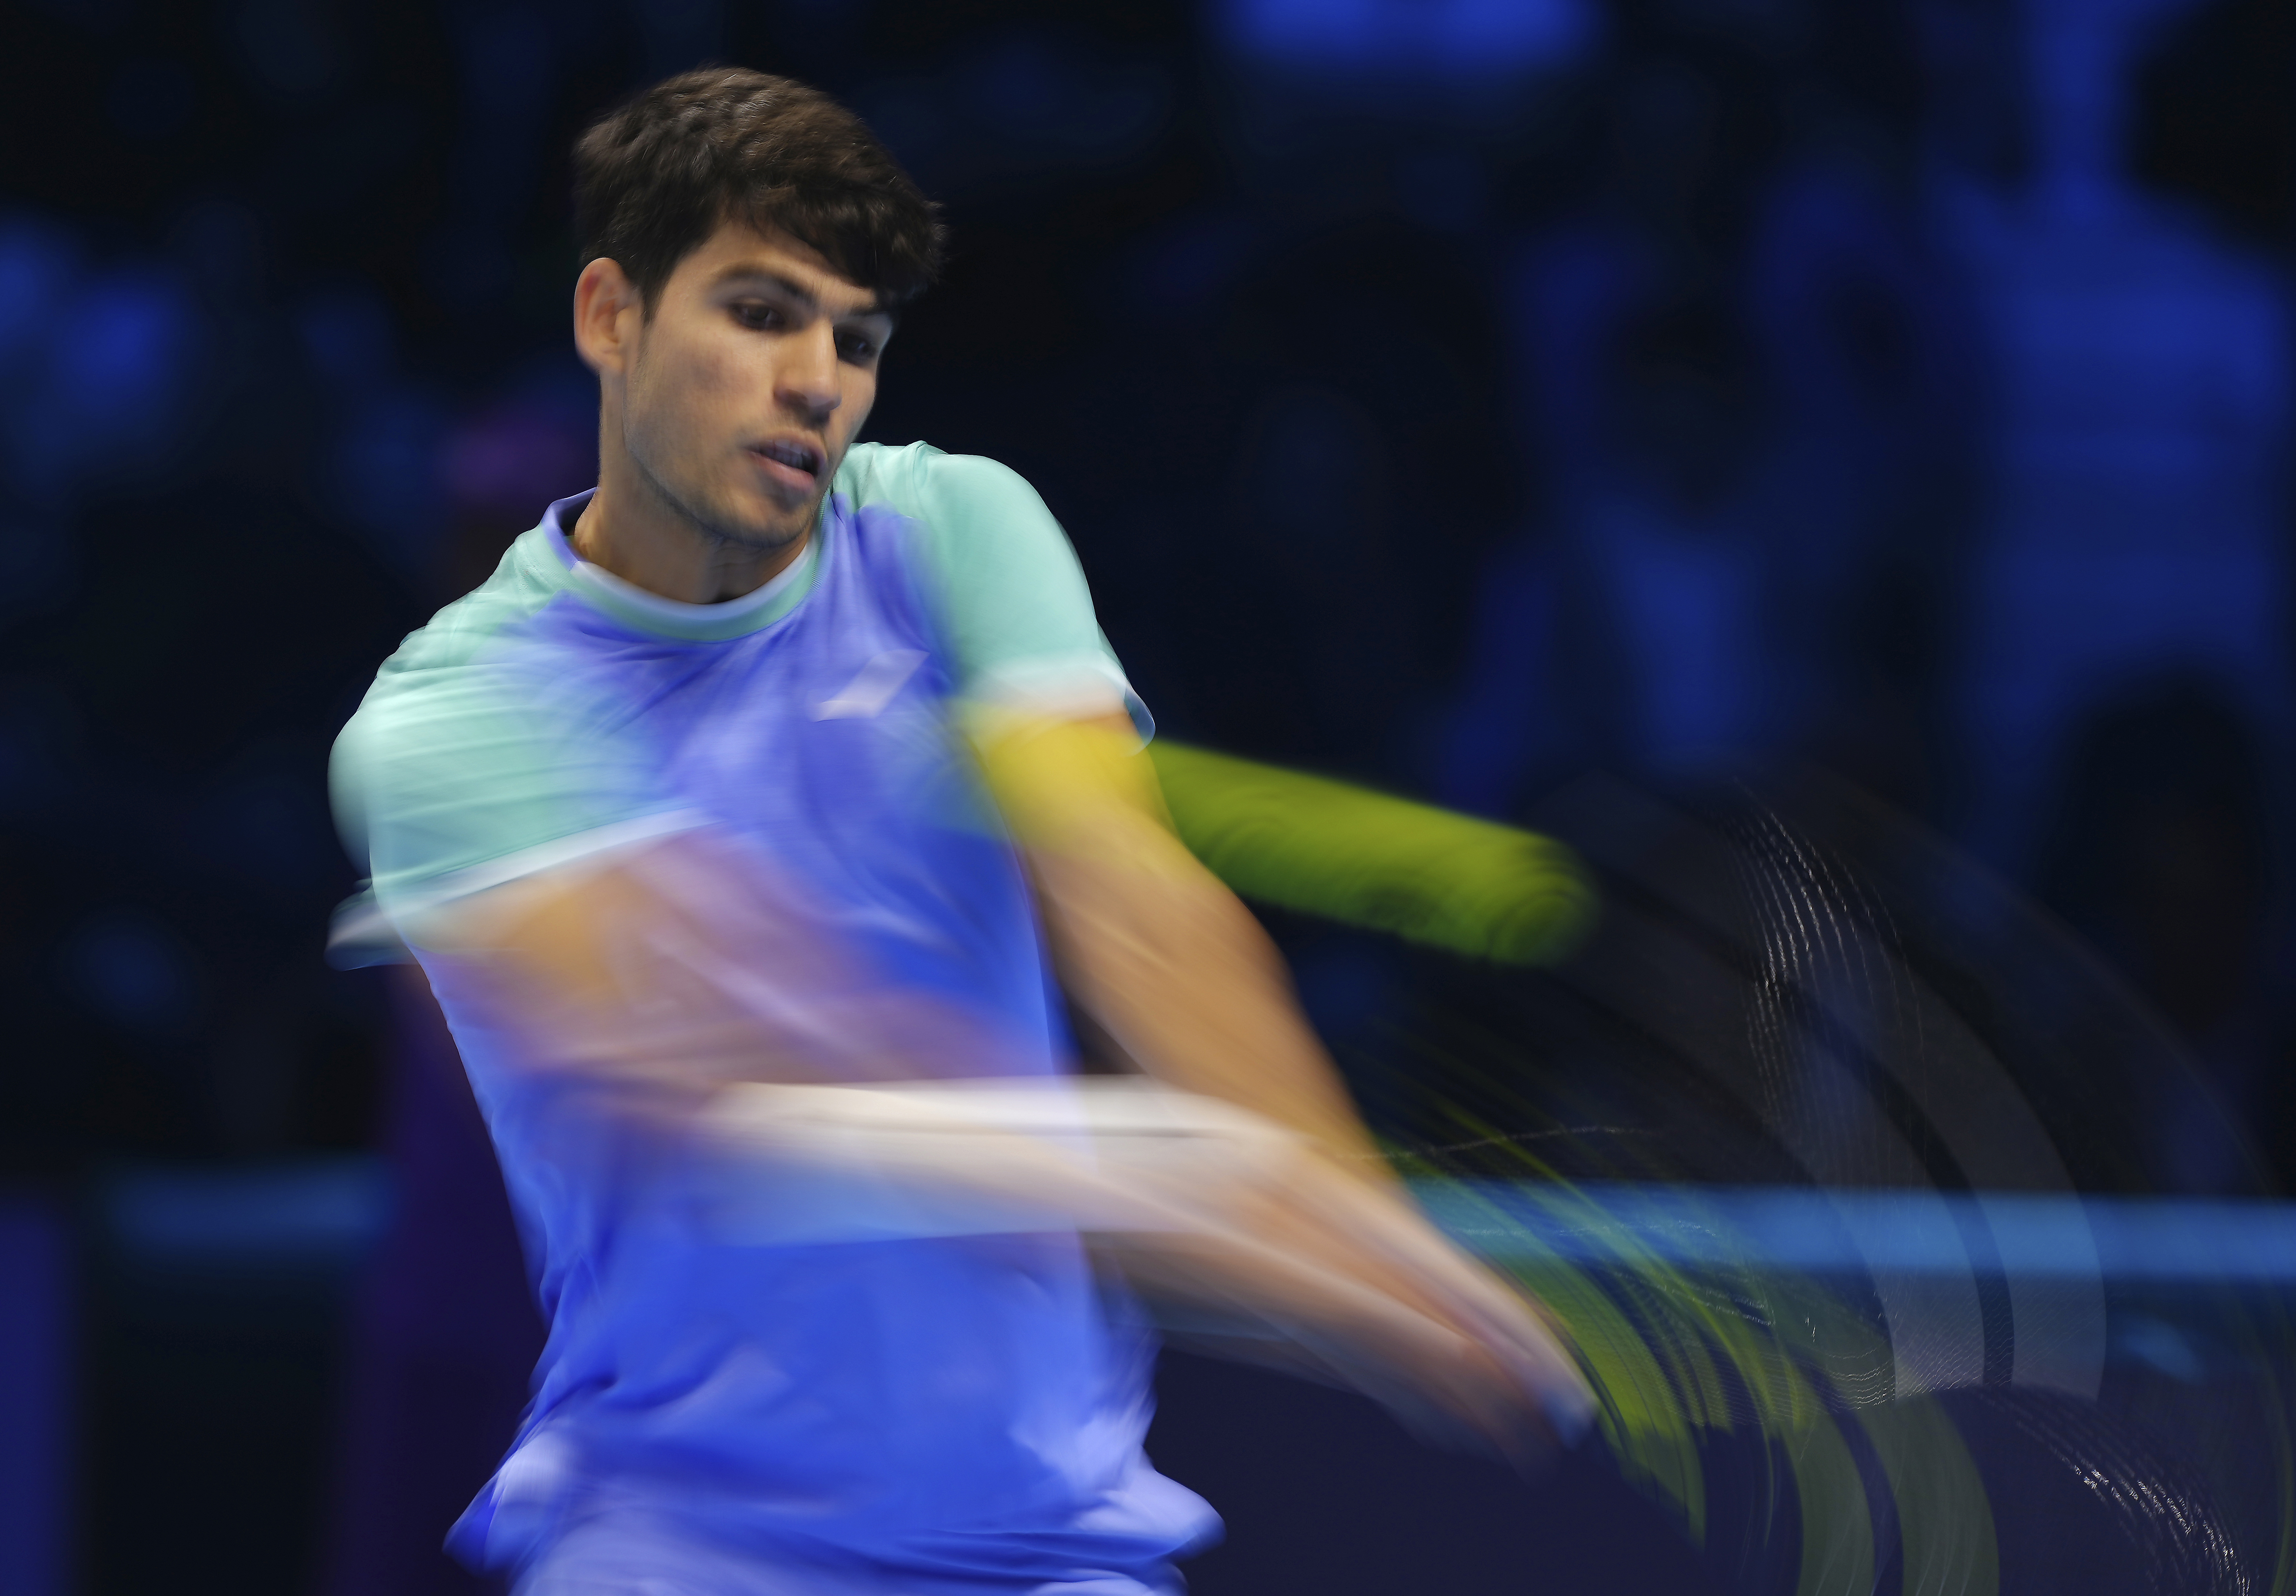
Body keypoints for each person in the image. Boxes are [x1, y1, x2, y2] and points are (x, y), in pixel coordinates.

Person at [331, 66, 1586, 1596]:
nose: (816, 381)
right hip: (676, 1541)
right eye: (760, 312)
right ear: (613, 316)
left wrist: (1351, 1227)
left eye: (853, 340)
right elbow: (715, 1079)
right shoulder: (446, 719)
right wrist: (1174, 1184)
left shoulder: (953, 528)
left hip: (1055, 1548)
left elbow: (1130, 896)